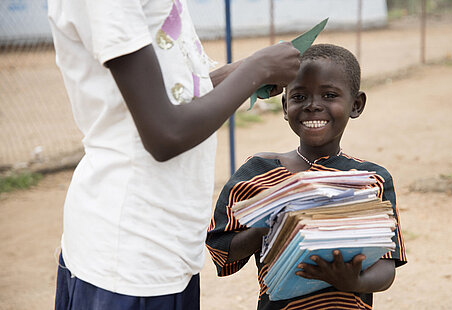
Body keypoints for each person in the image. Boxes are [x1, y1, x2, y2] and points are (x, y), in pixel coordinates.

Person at [48, 0, 300, 309]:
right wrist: (257, 68)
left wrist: (246, 75)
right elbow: (165, 134)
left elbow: (175, 95)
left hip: (168, 249)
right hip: (129, 256)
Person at [206, 44, 407, 309]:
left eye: (329, 95)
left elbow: (386, 267)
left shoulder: (371, 180)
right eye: (299, 97)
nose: (313, 106)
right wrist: (274, 223)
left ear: (356, 105)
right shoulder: (258, 172)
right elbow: (222, 249)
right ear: (285, 105)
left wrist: (354, 282)